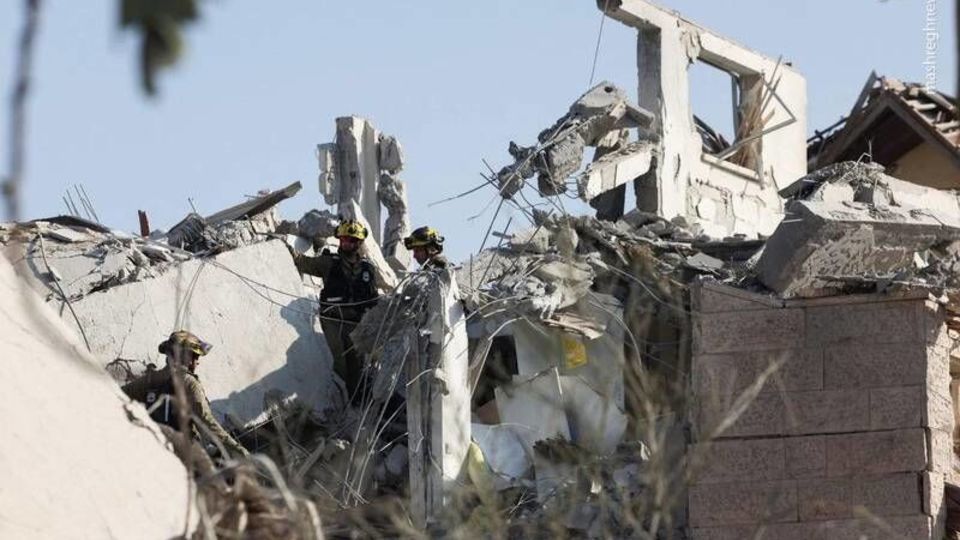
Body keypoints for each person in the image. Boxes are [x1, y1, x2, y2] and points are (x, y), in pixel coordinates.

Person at [290, 219, 380, 402]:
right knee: (339, 362)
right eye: (343, 239)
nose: (346, 243)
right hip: (333, 321)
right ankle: (339, 402)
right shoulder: (329, 262)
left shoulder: (367, 269)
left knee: (356, 366)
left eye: (351, 240)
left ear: (358, 243)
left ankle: (355, 403)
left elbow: (373, 300)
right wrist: (288, 250)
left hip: (356, 324)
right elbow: (303, 263)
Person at [123, 330, 249, 458]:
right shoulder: (190, 383)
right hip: (183, 456)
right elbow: (207, 423)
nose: (197, 361)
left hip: (152, 451)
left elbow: (118, 396)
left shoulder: (149, 380)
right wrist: (239, 451)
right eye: (196, 356)